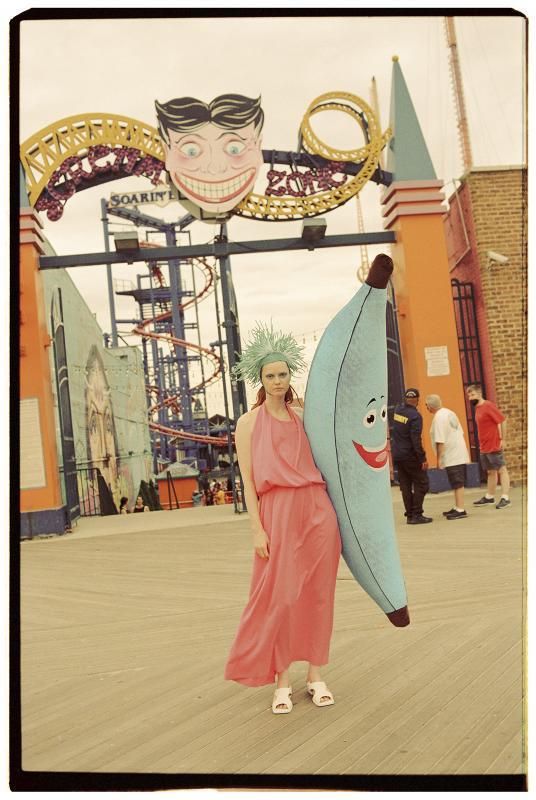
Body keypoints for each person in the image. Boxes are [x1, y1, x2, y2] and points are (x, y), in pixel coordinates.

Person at [224, 322, 341, 714]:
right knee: (281, 598)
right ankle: (280, 681)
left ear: (291, 374)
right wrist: (257, 528)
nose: (277, 381)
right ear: (260, 378)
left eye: (283, 374)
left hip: (316, 510)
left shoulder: (304, 416)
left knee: (319, 595)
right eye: (270, 375)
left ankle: (316, 675)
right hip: (277, 512)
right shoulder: (248, 423)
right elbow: (247, 480)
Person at [425, 394, 470, 520]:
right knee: (456, 481)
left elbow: (440, 440)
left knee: (457, 482)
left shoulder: (439, 418)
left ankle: (461, 509)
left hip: (452, 454)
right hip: (458, 451)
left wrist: (439, 459)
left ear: (429, 406)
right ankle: (457, 506)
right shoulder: (449, 412)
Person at [466, 384, 511, 509]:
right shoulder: (478, 408)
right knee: (490, 472)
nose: (470, 398)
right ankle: (490, 497)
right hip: (484, 446)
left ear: (480, 394)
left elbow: (502, 420)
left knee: (501, 469)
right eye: (469, 395)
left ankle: (505, 497)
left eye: (473, 394)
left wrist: (503, 439)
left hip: (493, 444)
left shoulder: (488, 406)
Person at [391, 388, 432, 524]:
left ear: (406, 399)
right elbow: (416, 439)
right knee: (422, 483)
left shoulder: (398, 410)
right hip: (410, 455)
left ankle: (410, 515)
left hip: (397, 455)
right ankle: (417, 514)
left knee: (406, 485)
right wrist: (423, 458)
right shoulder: (415, 416)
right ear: (418, 400)